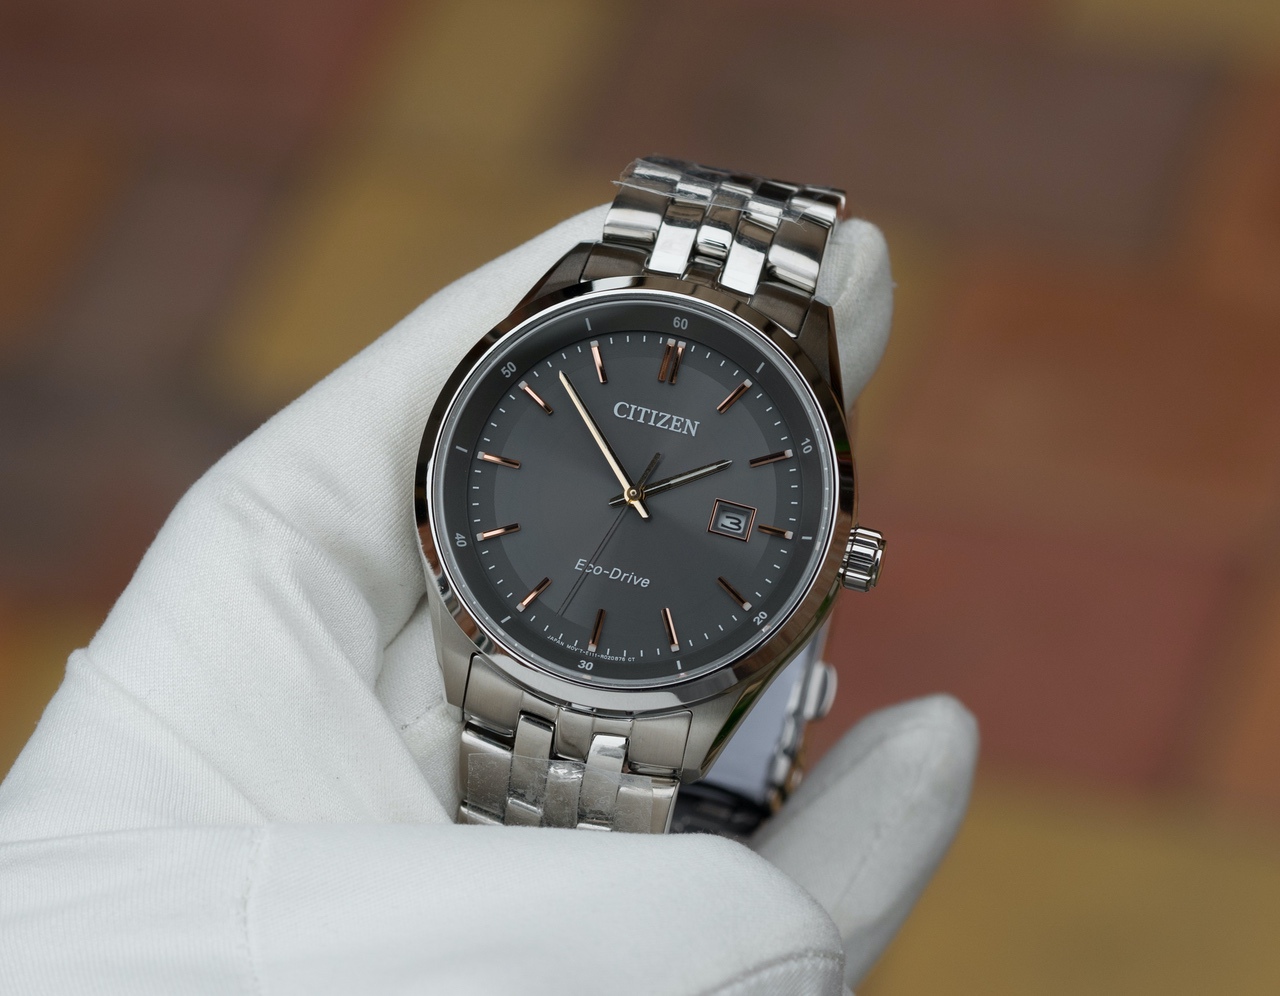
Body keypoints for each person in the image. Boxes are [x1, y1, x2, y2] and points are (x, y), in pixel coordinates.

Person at [0, 204, 977, 995]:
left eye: (649, 499)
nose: (634, 501)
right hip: (521, 641)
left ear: (837, 557)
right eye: (623, 486)